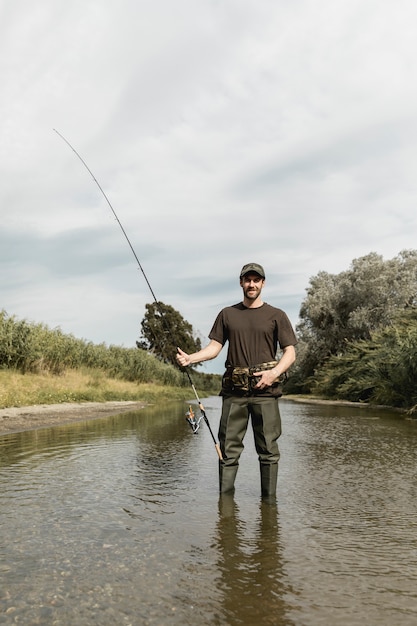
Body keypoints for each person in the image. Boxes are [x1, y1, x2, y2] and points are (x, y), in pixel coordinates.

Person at [176, 262, 297, 498]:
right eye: (247, 280)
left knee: (269, 452)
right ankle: (225, 508)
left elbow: (290, 352)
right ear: (241, 282)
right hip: (234, 394)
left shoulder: (277, 315)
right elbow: (214, 347)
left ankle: (269, 508)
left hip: (266, 393)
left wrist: (274, 373)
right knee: (228, 451)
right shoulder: (227, 314)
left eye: (256, 280)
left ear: (263, 283)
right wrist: (191, 358)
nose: (251, 284)